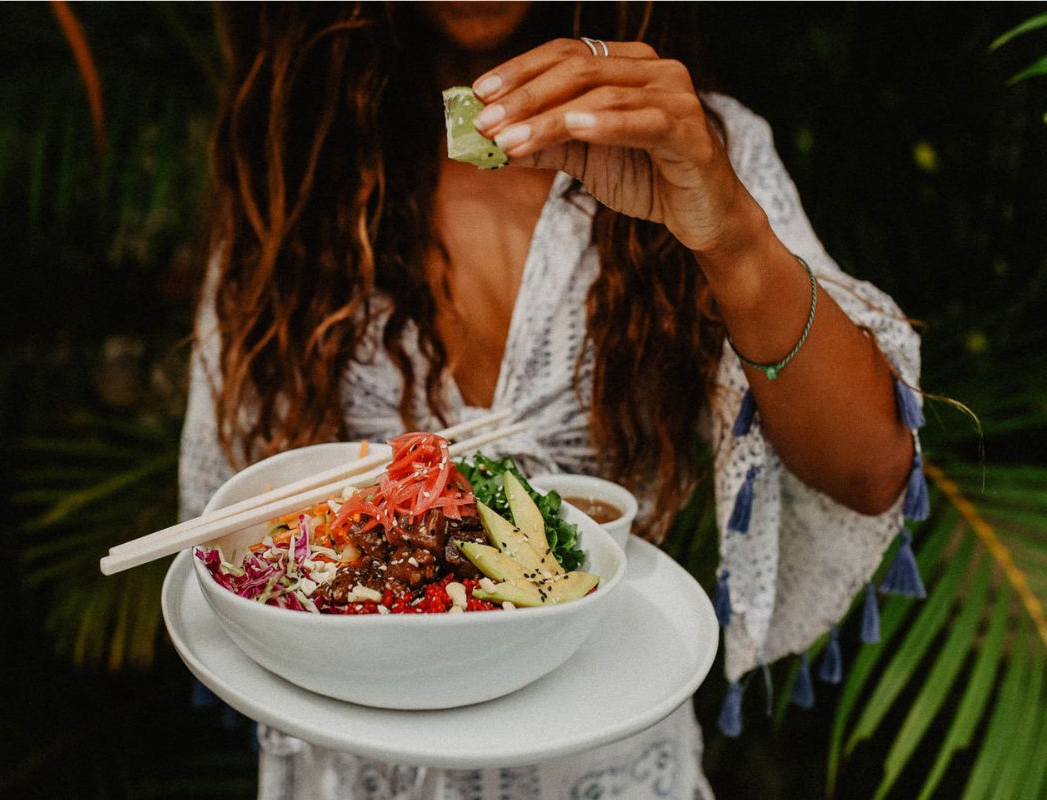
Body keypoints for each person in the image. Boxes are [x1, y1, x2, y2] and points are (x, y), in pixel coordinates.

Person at [179, 3, 923, 798]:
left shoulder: (702, 151)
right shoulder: (298, 160)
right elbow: (243, 529)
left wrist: (731, 235)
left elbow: (869, 473)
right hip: (351, 763)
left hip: (609, 763)